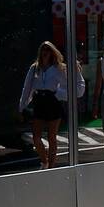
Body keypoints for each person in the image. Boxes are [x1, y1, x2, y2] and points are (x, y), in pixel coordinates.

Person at [19, 41, 84, 169]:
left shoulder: (59, 68)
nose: (45, 53)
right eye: (43, 50)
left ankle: (51, 165)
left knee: (51, 136)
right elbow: (27, 88)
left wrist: (59, 93)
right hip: (39, 101)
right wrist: (21, 106)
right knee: (36, 136)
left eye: (48, 50)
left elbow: (73, 85)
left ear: (52, 52)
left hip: (52, 101)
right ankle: (44, 160)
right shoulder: (35, 68)